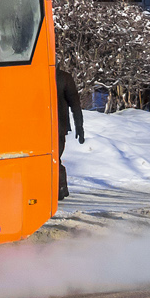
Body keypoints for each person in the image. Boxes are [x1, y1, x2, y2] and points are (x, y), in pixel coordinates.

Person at [56, 67, 85, 199]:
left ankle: (61, 187)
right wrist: (79, 126)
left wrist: (79, 125)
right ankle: (60, 188)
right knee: (53, 159)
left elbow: (75, 104)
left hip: (57, 126)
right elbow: (75, 104)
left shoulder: (63, 77)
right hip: (56, 126)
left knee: (53, 159)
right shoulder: (64, 77)